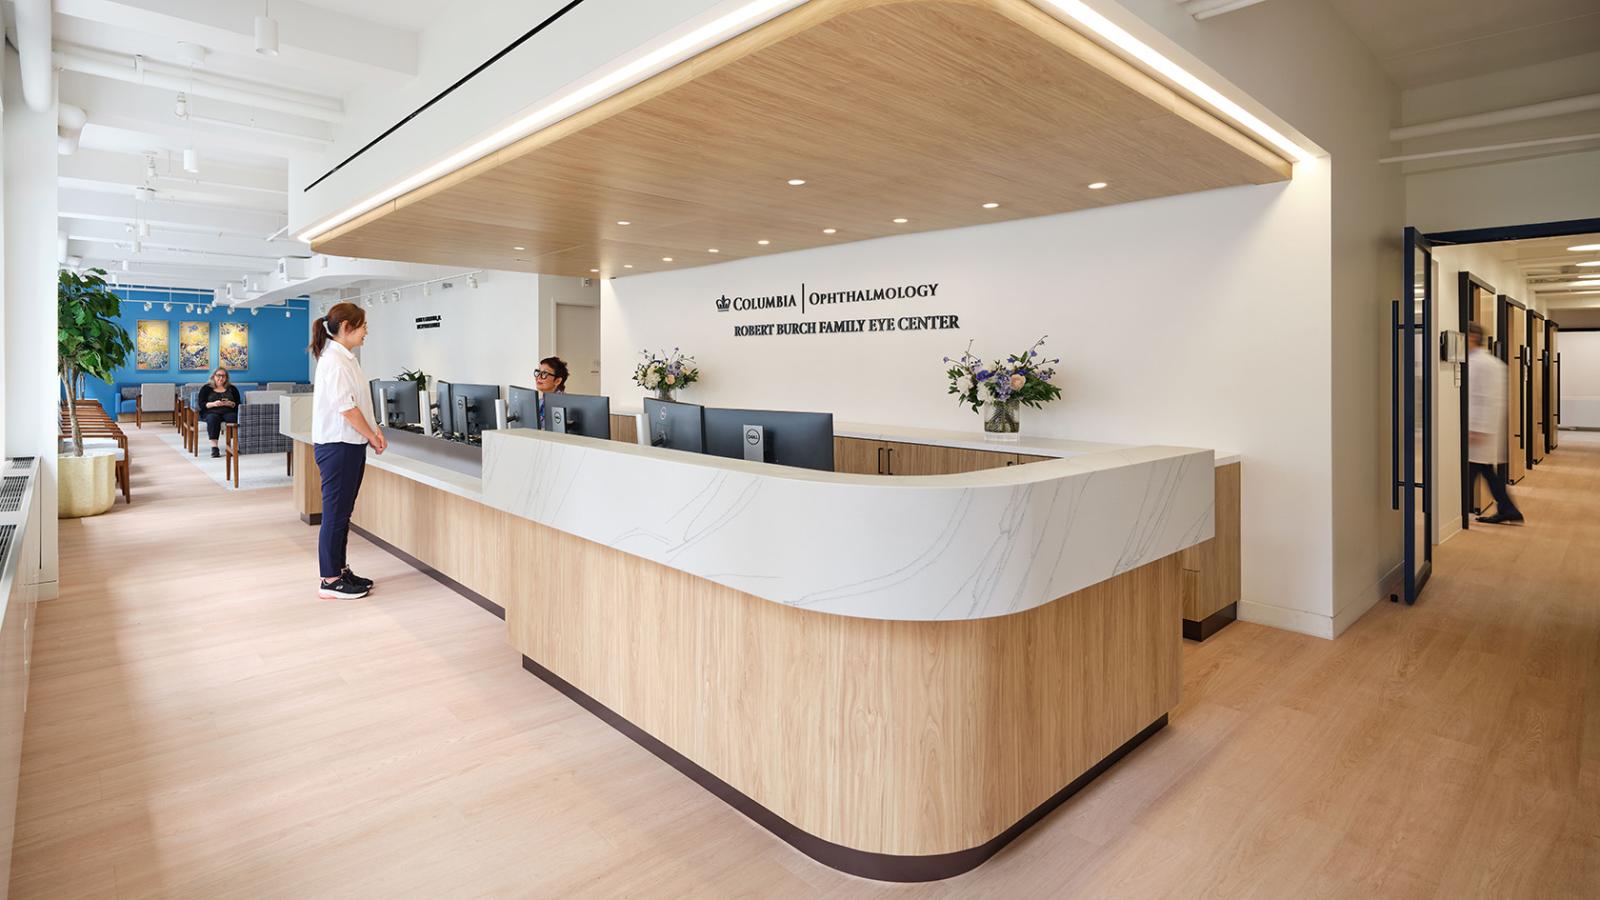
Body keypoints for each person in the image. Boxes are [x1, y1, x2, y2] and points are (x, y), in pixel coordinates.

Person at [310, 302, 387, 600]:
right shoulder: (334, 361)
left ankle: (340, 570)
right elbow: (346, 409)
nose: (367, 331)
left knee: (343, 513)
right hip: (338, 445)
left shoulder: (345, 359)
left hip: (350, 445)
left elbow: (359, 403)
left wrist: (374, 429)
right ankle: (329, 579)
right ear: (346, 327)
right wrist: (371, 435)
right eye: (363, 325)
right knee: (334, 514)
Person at [1467, 323, 1523, 525]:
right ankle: (1508, 509)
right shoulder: (1487, 363)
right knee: (1484, 471)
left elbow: (1488, 399)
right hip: (1481, 430)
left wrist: (1478, 428)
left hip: (1479, 430)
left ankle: (1456, 514)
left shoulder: (1485, 364)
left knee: (1474, 470)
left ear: (1472, 336)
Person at [195, 367, 241, 458]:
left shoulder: (232, 388)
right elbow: (201, 404)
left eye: (223, 376)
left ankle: (232, 445)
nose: (221, 378)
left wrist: (231, 404)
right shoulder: (206, 388)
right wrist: (214, 404)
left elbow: (238, 404)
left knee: (233, 417)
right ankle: (214, 448)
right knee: (213, 419)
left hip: (228, 411)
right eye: (218, 375)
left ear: (226, 378)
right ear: (213, 377)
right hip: (211, 411)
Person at [533, 356, 569, 427]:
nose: (538, 377)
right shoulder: (539, 402)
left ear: (557, 381)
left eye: (544, 373)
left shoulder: (566, 405)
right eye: (538, 372)